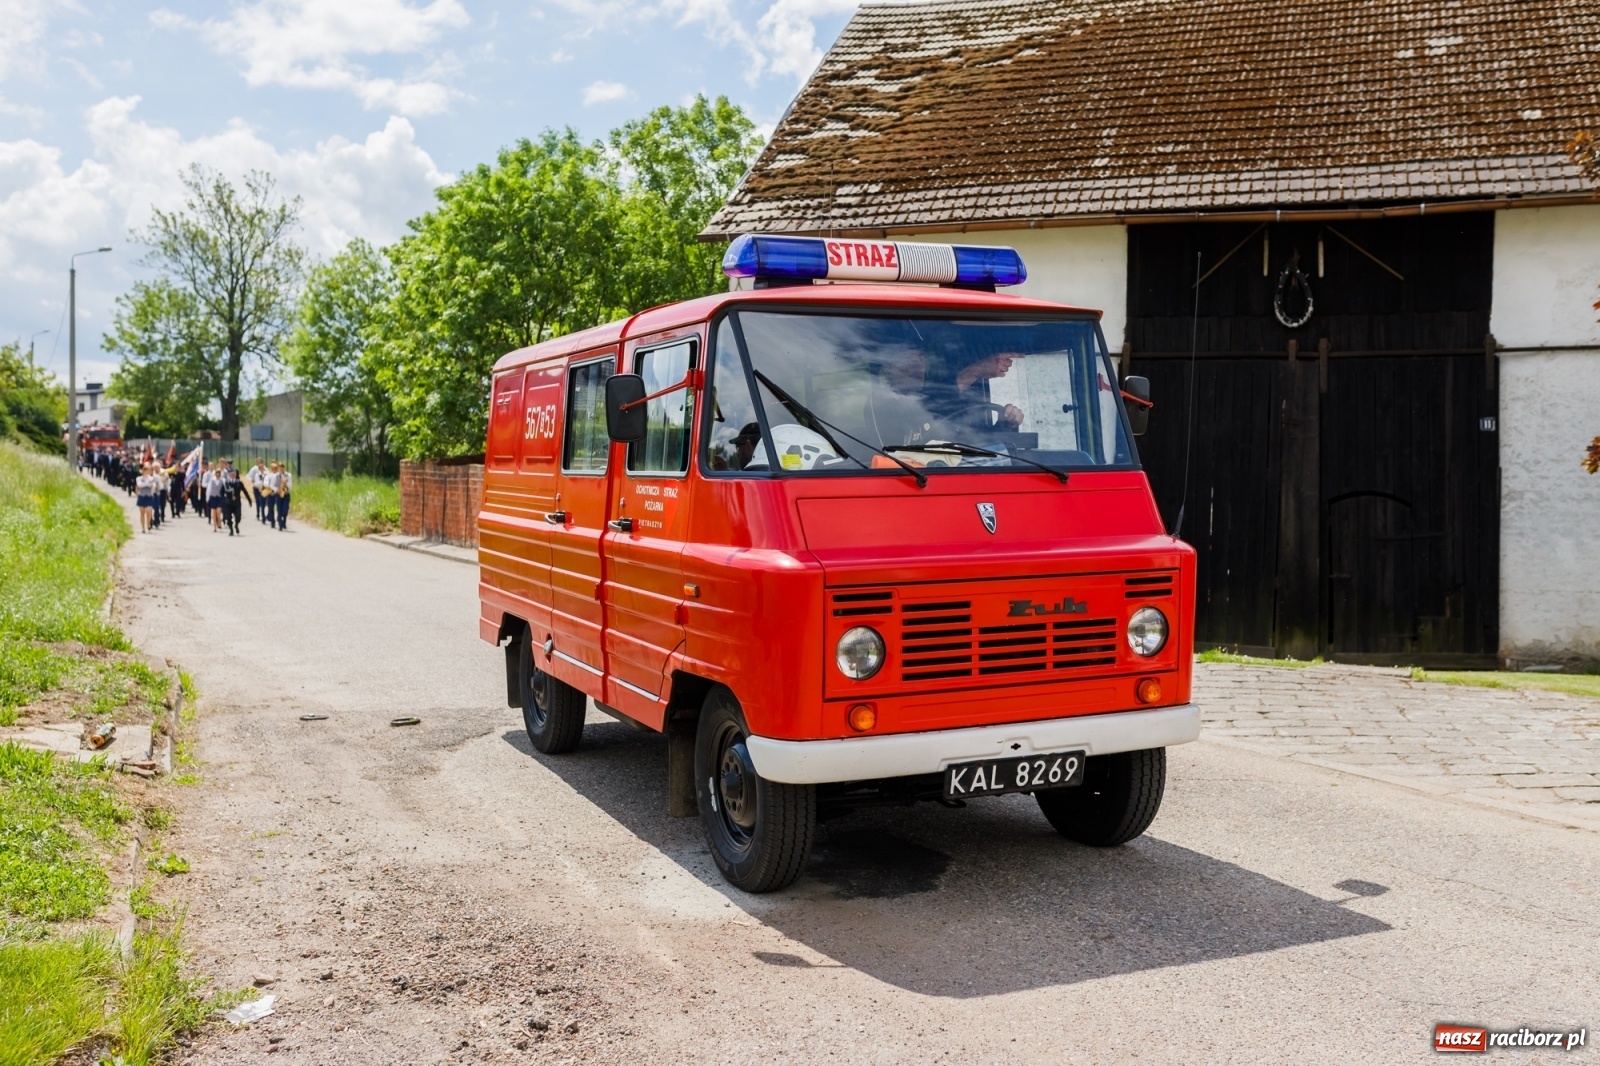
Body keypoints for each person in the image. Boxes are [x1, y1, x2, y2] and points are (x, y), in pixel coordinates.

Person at [219, 465, 248, 536]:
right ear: (229, 475)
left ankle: (236, 525)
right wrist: (223, 500)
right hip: (228, 502)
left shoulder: (239, 482)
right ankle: (231, 529)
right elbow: (221, 492)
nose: (232, 475)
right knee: (228, 517)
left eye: (234, 474)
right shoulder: (226, 483)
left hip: (237, 502)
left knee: (238, 516)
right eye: (231, 474)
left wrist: (249, 500)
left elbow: (244, 491)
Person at [134, 464, 157, 533]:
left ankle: (148, 523)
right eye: (145, 471)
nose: (146, 472)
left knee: (149, 511)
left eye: (148, 471)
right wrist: (147, 483)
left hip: (149, 496)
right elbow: (139, 485)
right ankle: (143, 528)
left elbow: (152, 486)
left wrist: (147, 483)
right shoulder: (139, 478)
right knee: (142, 512)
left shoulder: (151, 478)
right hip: (142, 496)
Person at [271, 462, 293, 531]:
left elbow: (290, 485)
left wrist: (286, 483)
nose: (281, 469)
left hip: (286, 494)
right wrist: (276, 489)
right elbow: (272, 485)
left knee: (285, 509)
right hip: (278, 494)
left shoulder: (288, 475)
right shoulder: (275, 476)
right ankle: (280, 524)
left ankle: (284, 521)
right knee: (279, 509)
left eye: (282, 467)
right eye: (280, 467)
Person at [248, 459, 269, 524]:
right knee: (258, 501)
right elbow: (249, 476)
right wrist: (252, 480)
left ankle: (265, 515)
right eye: (259, 462)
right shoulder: (254, 469)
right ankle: (258, 513)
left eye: (261, 462)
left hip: (264, 488)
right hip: (257, 488)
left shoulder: (266, 470)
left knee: (264, 502)